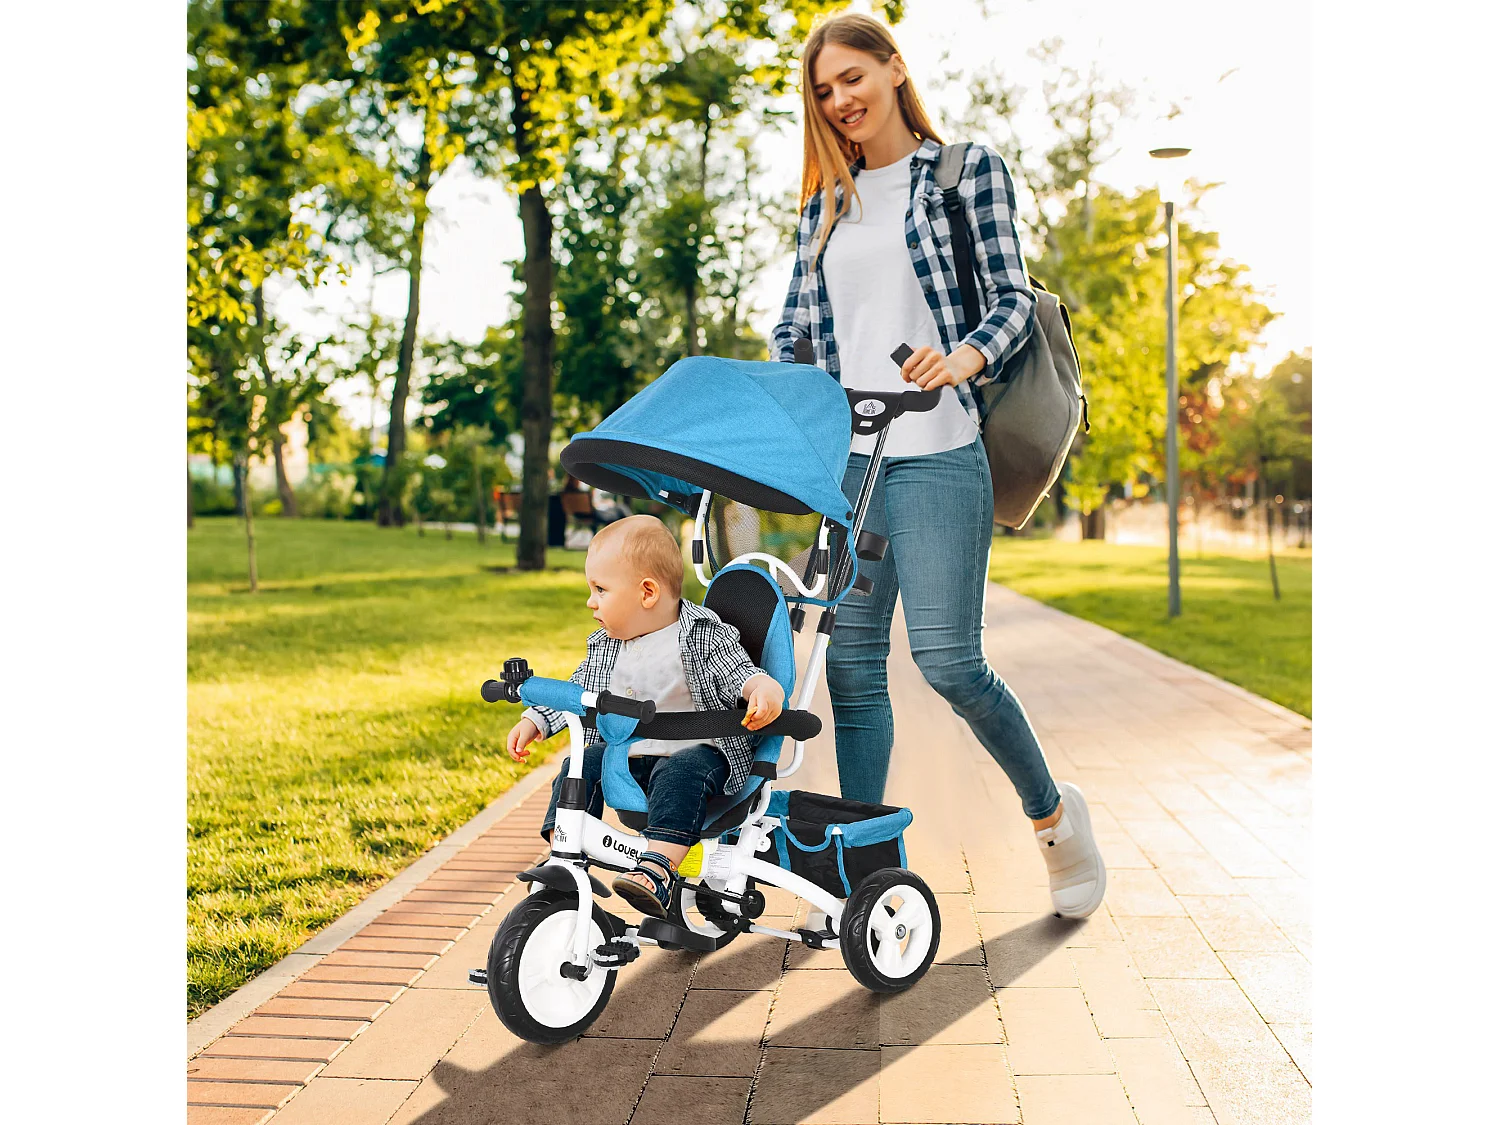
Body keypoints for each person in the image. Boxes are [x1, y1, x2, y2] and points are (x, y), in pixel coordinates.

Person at [770, 12, 1105, 918]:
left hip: (943, 449)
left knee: (952, 661)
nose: (839, 101)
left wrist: (962, 356)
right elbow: (796, 331)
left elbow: (1009, 296)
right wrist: (777, 400)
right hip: (852, 467)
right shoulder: (823, 206)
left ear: (892, 68)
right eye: (823, 90)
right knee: (851, 669)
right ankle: (869, 868)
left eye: (851, 77)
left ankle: (1053, 819)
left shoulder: (965, 174)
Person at [506, 514, 786, 917]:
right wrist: (536, 720)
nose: (590, 601)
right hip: (631, 758)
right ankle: (563, 855)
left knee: (682, 770)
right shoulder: (607, 644)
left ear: (647, 593)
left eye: (600, 590)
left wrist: (762, 689)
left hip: (699, 756)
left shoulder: (701, 635)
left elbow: (738, 672)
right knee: (582, 763)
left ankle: (659, 867)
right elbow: (579, 690)